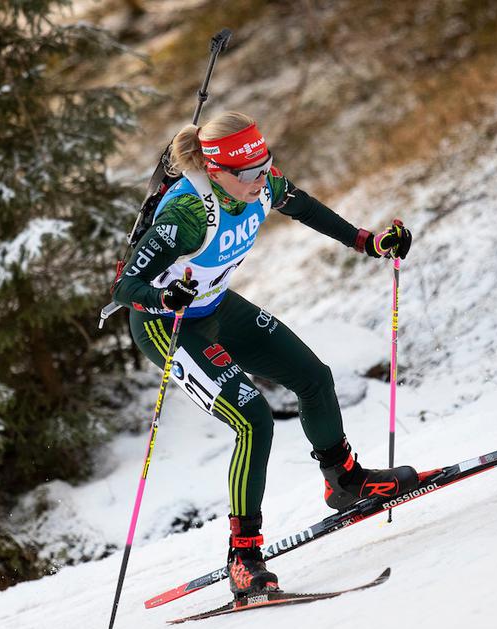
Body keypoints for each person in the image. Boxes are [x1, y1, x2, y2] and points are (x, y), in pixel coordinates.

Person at [112, 111, 418, 598]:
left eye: (265, 167)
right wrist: (161, 299)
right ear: (216, 171)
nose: (262, 182)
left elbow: (304, 207)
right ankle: (243, 555)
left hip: (214, 306)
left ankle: (344, 481)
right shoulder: (187, 216)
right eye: (250, 175)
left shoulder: (260, 181)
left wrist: (368, 242)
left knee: (312, 375)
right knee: (254, 416)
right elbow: (126, 284)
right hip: (166, 324)